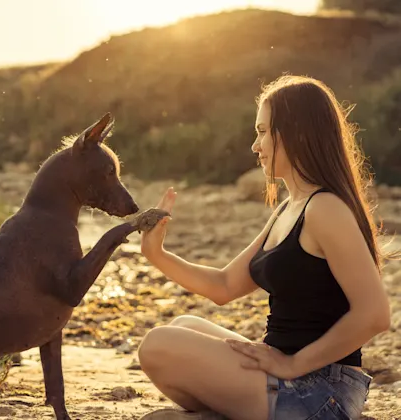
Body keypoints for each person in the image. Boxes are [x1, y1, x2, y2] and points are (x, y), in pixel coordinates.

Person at [136, 75, 393, 420]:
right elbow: (225, 286)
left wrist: (292, 363)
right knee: (185, 325)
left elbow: (375, 314)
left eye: (261, 131)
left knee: (159, 344)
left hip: (318, 392)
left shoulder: (325, 209)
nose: (255, 146)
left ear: (297, 134)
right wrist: (158, 255)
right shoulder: (290, 208)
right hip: (287, 378)